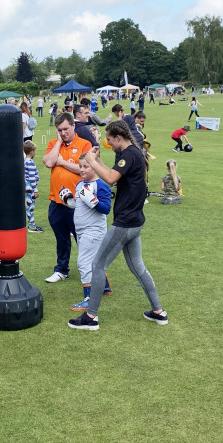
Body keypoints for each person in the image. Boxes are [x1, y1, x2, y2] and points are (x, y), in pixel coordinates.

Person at [68, 120, 166, 330]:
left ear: (119, 138)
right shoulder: (127, 153)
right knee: (137, 267)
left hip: (125, 223)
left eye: (110, 141)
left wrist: (91, 161)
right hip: (135, 222)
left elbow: (110, 179)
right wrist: (98, 160)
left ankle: (91, 317)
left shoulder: (129, 154)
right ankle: (158, 311)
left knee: (97, 265)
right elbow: (113, 174)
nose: (109, 144)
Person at [43, 113, 93, 282]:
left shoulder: (84, 144)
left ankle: (90, 270)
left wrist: (63, 162)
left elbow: (84, 169)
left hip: (78, 202)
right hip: (56, 200)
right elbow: (49, 162)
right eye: (59, 130)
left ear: (73, 126)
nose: (63, 133)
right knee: (61, 237)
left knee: (81, 238)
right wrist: (58, 142)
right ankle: (61, 269)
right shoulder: (53, 144)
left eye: (65, 129)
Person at [69, 153, 113, 311]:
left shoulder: (100, 185)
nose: (81, 169)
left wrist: (92, 200)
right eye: (80, 166)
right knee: (94, 260)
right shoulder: (80, 184)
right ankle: (105, 287)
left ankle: (89, 298)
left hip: (93, 230)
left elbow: (106, 209)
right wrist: (68, 200)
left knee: (84, 262)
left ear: (94, 167)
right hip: (81, 230)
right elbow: (79, 206)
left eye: (86, 166)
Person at [23, 141, 43, 233]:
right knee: (31, 206)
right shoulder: (30, 162)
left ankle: (31, 224)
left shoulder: (24, 161)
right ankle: (31, 226)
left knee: (29, 205)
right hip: (30, 187)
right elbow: (32, 178)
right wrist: (35, 190)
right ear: (31, 151)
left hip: (26, 186)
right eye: (34, 150)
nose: (35, 152)